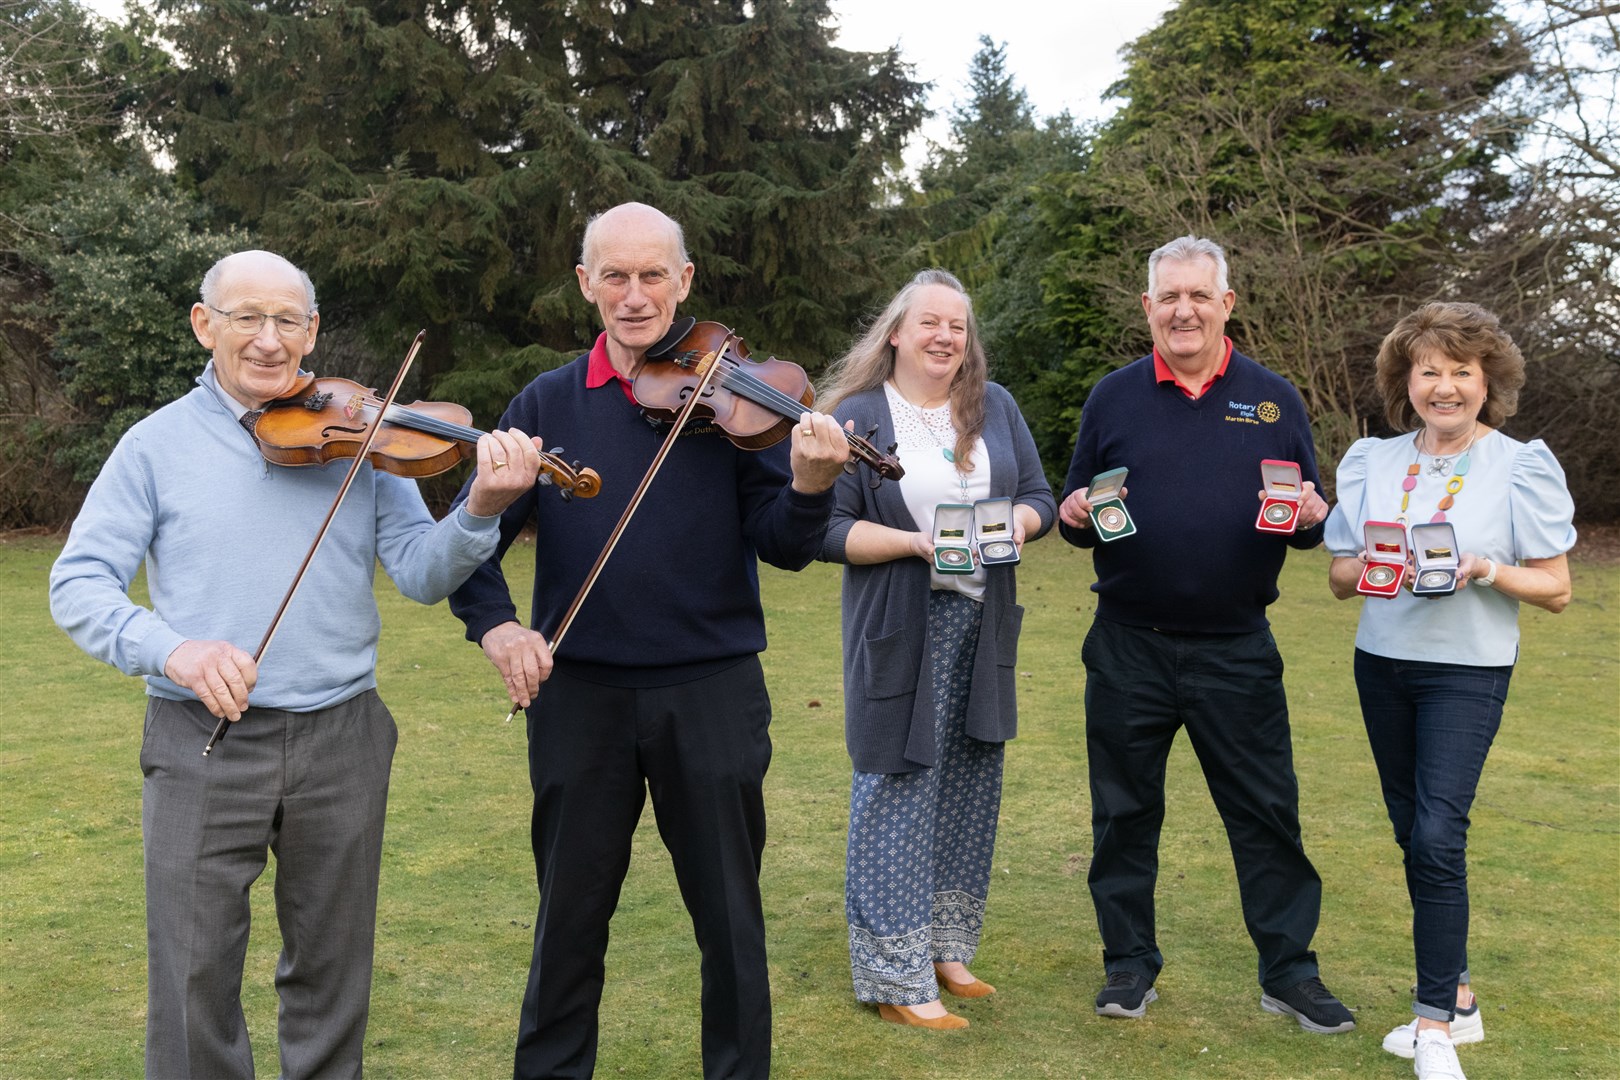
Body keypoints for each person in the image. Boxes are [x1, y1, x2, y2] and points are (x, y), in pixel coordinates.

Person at [48, 250, 542, 1078]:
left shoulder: (362, 435)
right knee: (193, 974)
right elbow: (78, 582)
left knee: (331, 971)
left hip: (342, 738)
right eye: (247, 317)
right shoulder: (153, 445)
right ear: (206, 325)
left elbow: (421, 573)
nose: (269, 340)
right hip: (200, 737)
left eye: (289, 320)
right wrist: (175, 648)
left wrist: (481, 509)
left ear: (313, 332)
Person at [446, 202, 849, 1079]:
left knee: (731, 922)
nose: (635, 297)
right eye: (615, 277)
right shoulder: (547, 401)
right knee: (568, 920)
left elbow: (784, 543)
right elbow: (469, 536)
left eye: (653, 276)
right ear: (586, 283)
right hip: (578, 699)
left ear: (686, 282)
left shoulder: (736, 400)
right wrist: (499, 624)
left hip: (711, 694)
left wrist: (813, 486)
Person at [1056, 235, 1355, 1033]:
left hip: (1236, 647)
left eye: (1199, 295)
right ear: (1147, 307)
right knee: (1123, 815)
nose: (1182, 310)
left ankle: (1289, 972)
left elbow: (1300, 517)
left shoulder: (1274, 399)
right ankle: (1128, 966)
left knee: (1265, 815)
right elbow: (1077, 511)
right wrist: (1071, 511)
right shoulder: (1112, 397)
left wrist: (1317, 520)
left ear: (1227, 304)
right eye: (1168, 296)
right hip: (1128, 644)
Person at [1324, 302, 1574, 1080]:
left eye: (1461, 371)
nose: (1444, 386)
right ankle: (1459, 995)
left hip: (1468, 670)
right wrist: (1375, 567)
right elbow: (1337, 576)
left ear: (1486, 381)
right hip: (1383, 663)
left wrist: (1486, 569)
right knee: (1415, 832)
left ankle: (1433, 1029)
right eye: (1428, 370)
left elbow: (1558, 588)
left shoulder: (1520, 464)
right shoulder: (1373, 460)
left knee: (1437, 834)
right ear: (1406, 380)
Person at [815, 269, 1055, 1030]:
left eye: (957, 325)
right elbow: (826, 530)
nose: (946, 336)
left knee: (970, 785)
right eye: (930, 323)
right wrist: (917, 544)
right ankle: (894, 977)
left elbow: (1041, 498)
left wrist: (1017, 524)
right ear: (896, 332)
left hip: (982, 625)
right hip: (900, 622)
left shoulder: (995, 406)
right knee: (895, 783)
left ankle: (946, 948)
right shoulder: (859, 415)